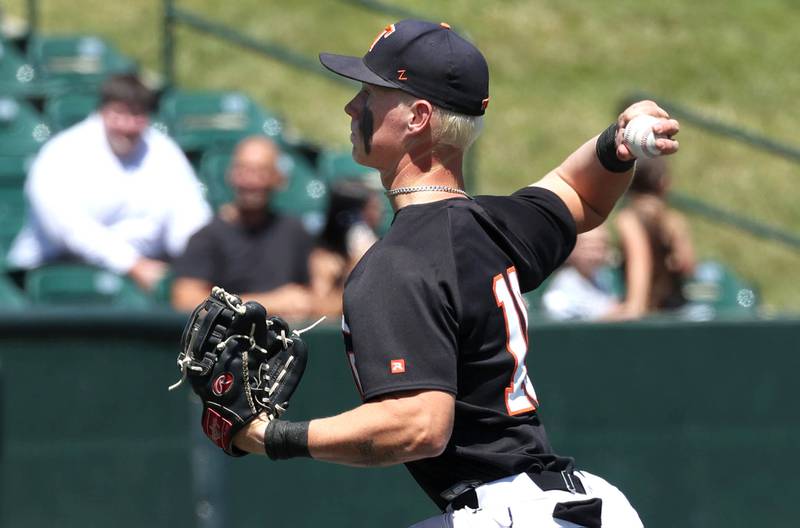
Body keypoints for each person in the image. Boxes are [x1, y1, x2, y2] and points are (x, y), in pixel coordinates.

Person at [228, 19, 679, 526]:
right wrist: (615, 145)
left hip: (507, 513)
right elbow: (579, 194)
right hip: (577, 506)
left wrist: (273, 437)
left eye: (371, 93)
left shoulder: (398, 262)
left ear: (418, 116)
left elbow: (419, 425)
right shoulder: (492, 223)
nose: (353, 106)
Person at [7, 73, 211, 292]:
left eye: (137, 115)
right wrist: (131, 264)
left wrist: (198, 259)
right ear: (102, 111)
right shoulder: (62, 152)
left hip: (145, 276)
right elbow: (67, 229)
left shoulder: (164, 151)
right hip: (52, 274)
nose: (128, 126)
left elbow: (189, 213)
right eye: (119, 113)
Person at [171, 135, 315, 321]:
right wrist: (269, 303)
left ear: (279, 179)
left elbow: (313, 295)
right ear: (230, 175)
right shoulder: (207, 237)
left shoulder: (294, 232)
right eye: (243, 170)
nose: (251, 182)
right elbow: (185, 301)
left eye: (261, 172)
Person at [614, 156, 695, 318]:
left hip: (646, 309)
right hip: (675, 308)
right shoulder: (674, 221)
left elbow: (640, 261)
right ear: (663, 182)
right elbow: (688, 266)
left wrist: (635, 307)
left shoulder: (628, 220)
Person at [308, 178, 382, 318]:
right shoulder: (324, 259)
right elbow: (321, 309)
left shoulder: (383, 249)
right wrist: (356, 266)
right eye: (371, 209)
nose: (377, 215)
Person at [541, 225, 622, 321]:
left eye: (601, 248)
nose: (595, 255)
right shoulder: (563, 284)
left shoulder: (605, 279)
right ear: (573, 250)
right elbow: (559, 317)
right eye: (590, 248)